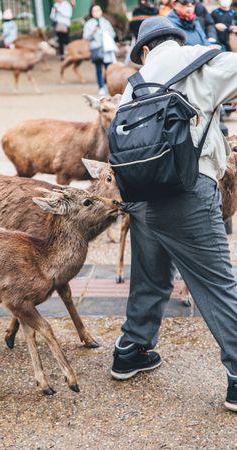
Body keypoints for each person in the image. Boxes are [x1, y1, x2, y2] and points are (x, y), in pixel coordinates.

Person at [111, 16, 237, 412]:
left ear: (145, 49)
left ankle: (131, 350)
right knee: (217, 283)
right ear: (176, 40)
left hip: (140, 195)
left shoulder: (132, 87)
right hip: (187, 190)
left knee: (149, 276)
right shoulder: (203, 63)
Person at [83, 4, 117, 96]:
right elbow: (85, 37)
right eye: (94, 11)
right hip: (96, 48)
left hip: (107, 49)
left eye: (98, 10)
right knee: (98, 69)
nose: (97, 12)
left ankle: (107, 84)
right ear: (91, 13)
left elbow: (113, 34)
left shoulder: (106, 22)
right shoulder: (89, 24)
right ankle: (101, 87)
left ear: (101, 11)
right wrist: (92, 32)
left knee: (108, 68)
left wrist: (108, 34)